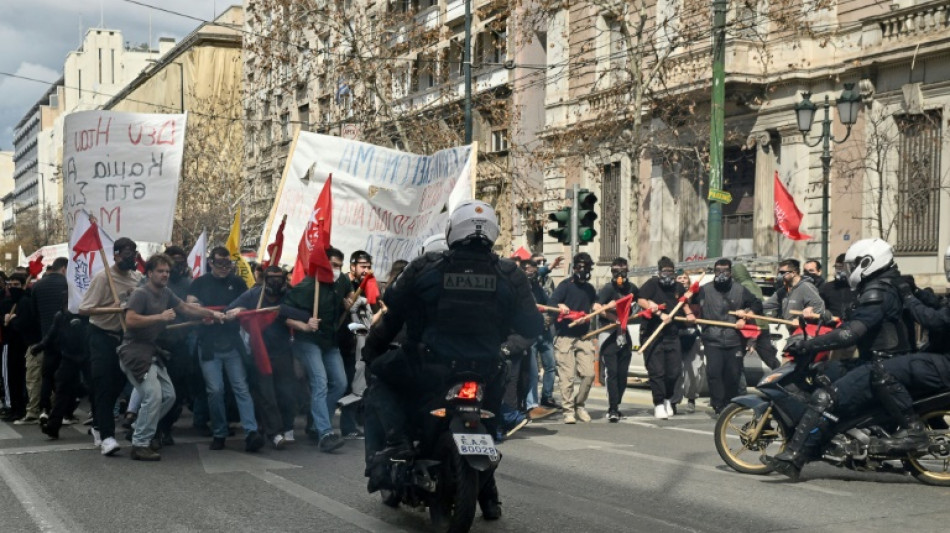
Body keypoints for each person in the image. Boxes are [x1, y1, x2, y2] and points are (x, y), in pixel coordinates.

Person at [362, 200, 542, 520]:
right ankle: (488, 495)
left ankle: (399, 441)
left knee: (378, 376)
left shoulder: (426, 267)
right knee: (487, 426)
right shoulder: (510, 273)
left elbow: (393, 312)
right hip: (487, 371)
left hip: (430, 367)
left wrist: (373, 349)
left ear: (452, 229)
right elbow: (531, 326)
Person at [763, 238, 915, 480]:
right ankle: (837, 436)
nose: (847, 270)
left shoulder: (878, 290)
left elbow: (850, 333)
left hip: (881, 364)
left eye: (852, 264)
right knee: (825, 370)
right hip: (884, 360)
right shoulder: (886, 285)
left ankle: (793, 457)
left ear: (868, 262)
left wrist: (808, 344)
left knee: (825, 396)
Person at [120, 254, 226, 461]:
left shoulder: (166, 293)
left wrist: (212, 314)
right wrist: (160, 317)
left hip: (152, 352)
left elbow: (187, 308)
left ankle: (139, 428)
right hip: (134, 352)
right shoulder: (141, 294)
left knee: (169, 395)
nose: (165, 274)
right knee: (153, 396)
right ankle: (140, 443)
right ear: (149, 273)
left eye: (167, 271)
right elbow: (130, 320)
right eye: (160, 271)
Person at [188, 246, 263, 452]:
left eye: (227, 264)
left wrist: (238, 310)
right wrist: (208, 314)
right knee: (215, 390)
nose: (224, 268)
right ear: (210, 263)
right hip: (209, 344)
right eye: (219, 263)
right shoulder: (200, 283)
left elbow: (248, 304)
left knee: (241, 387)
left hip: (232, 343)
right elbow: (190, 306)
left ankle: (251, 432)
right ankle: (219, 432)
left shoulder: (238, 282)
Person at [281, 248, 352, 453]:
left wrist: (347, 298)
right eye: (332, 265)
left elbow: (347, 290)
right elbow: (283, 313)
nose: (336, 270)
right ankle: (325, 433)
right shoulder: (307, 286)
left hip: (329, 342)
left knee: (339, 383)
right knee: (320, 382)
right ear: (322, 265)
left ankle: (316, 423)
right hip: (308, 341)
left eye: (339, 266)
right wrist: (304, 324)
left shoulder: (341, 282)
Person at [79, 237, 144, 456]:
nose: (130, 259)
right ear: (115, 255)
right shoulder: (103, 277)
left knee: (119, 386)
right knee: (104, 385)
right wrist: (113, 308)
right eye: (126, 254)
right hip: (101, 336)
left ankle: (98, 425)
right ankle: (107, 436)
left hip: (124, 338)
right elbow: (84, 309)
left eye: (133, 254)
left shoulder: (138, 278)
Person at [228, 266, 298, 449]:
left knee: (287, 393)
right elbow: (231, 309)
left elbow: (304, 314)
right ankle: (274, 433)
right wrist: (240, 310)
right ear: (264, 279)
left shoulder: (290, 295)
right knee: (267, 395)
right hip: (260, 353)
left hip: (283, 352)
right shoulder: (253, 295)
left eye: (279, 278)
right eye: (271, 278)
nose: (275, 282)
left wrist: (281, 312)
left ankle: (288, 427)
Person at [695, 259, 762, 415]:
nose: (722, 274)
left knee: (733, 374)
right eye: (718, 271)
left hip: (734, 339)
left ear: (731, 272)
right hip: (712, 338)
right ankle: (718, 405)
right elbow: (688, 302)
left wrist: (745, 315)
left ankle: (730, 404)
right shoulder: (705, 290)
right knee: (714, 373)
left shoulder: (740, 290)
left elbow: (757, 304)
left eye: (725, 271)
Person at [637, 257, 690, 419]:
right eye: (664, 272)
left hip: (672, 335)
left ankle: (668, 399)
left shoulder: (678, 287)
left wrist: (689, 314)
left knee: (674, 372)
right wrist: (657, 312)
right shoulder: (652, 284)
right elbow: (641, 300)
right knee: (657, 371)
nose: (668, 276)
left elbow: (683, 302)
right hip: (652, 335)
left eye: (670, 272)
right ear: (659, 272)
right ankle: (658, 403)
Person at [550, 252, 598, 424]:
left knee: (589, 374)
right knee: (567, 376)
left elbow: (595, 304)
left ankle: (580, 404)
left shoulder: (590, 288)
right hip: (565, 337)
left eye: (586, 267)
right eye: (580, 267)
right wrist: (559, 306)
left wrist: (601, 307)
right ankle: (568, 410)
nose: (583, 271)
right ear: (574, 267)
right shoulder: (565, 285)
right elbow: (551, 303)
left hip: (583, 336)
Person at [595, 257, 638, 422]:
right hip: (609, 334)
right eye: (615, 271)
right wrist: (612, 315)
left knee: (622, 374)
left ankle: (617, 403)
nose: (619, 274)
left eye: (622, 270)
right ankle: (613, 408)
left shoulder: (632, 288)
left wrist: (651, 306)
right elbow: (597, 307)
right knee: (611, 372)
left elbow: (640, 299)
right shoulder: (607, 289)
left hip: (624, 335)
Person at [522, 259, 558, 418]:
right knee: (533, 371)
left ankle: (547, 397)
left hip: (544, 332)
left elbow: (549, 303)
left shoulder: (537, 286)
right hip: (530, 334)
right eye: (530, 270)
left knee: (550, 365)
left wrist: (549, 317)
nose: (533, 273)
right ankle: (531, 404)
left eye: (535, 271)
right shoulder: (520, 286)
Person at [759, 259, 825, 343]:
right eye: (779, 273)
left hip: (803, 336)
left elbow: (819, 306)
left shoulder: (806, 287)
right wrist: (750, 309)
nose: (780, 275)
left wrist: (801, 320)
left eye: (783, 273)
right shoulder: (783, 291)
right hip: (787, 334)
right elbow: (766, 305)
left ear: (793, 273)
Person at [731, 263, 779, 371]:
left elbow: (753, 304)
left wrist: (744, 315)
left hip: (753, 325)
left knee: (737, 358)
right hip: (761, 324)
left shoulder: (745, 285)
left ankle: (782, 375)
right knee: (768, 357)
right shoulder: (752, 284)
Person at [2, 274, 32, 423]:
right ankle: (15, 408)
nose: (13, 287)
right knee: (12, 378)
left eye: (16, 285)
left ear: (22, 285)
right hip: (11, 344)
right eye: (11, 284)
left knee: (19, 378)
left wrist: (12, 321)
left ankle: (20, 409)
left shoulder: (25, 302)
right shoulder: (11, 302)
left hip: (21, 345)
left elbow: (24, 323)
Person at [672, 270, 702, 413]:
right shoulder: (670, 294)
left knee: (694, 371)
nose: (683, 280)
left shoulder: (696, 296)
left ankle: (691, 398)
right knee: (674, 370)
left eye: (685, 278)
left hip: (692, 336)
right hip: (675, 335)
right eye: (679, 278)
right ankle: (673, 400)